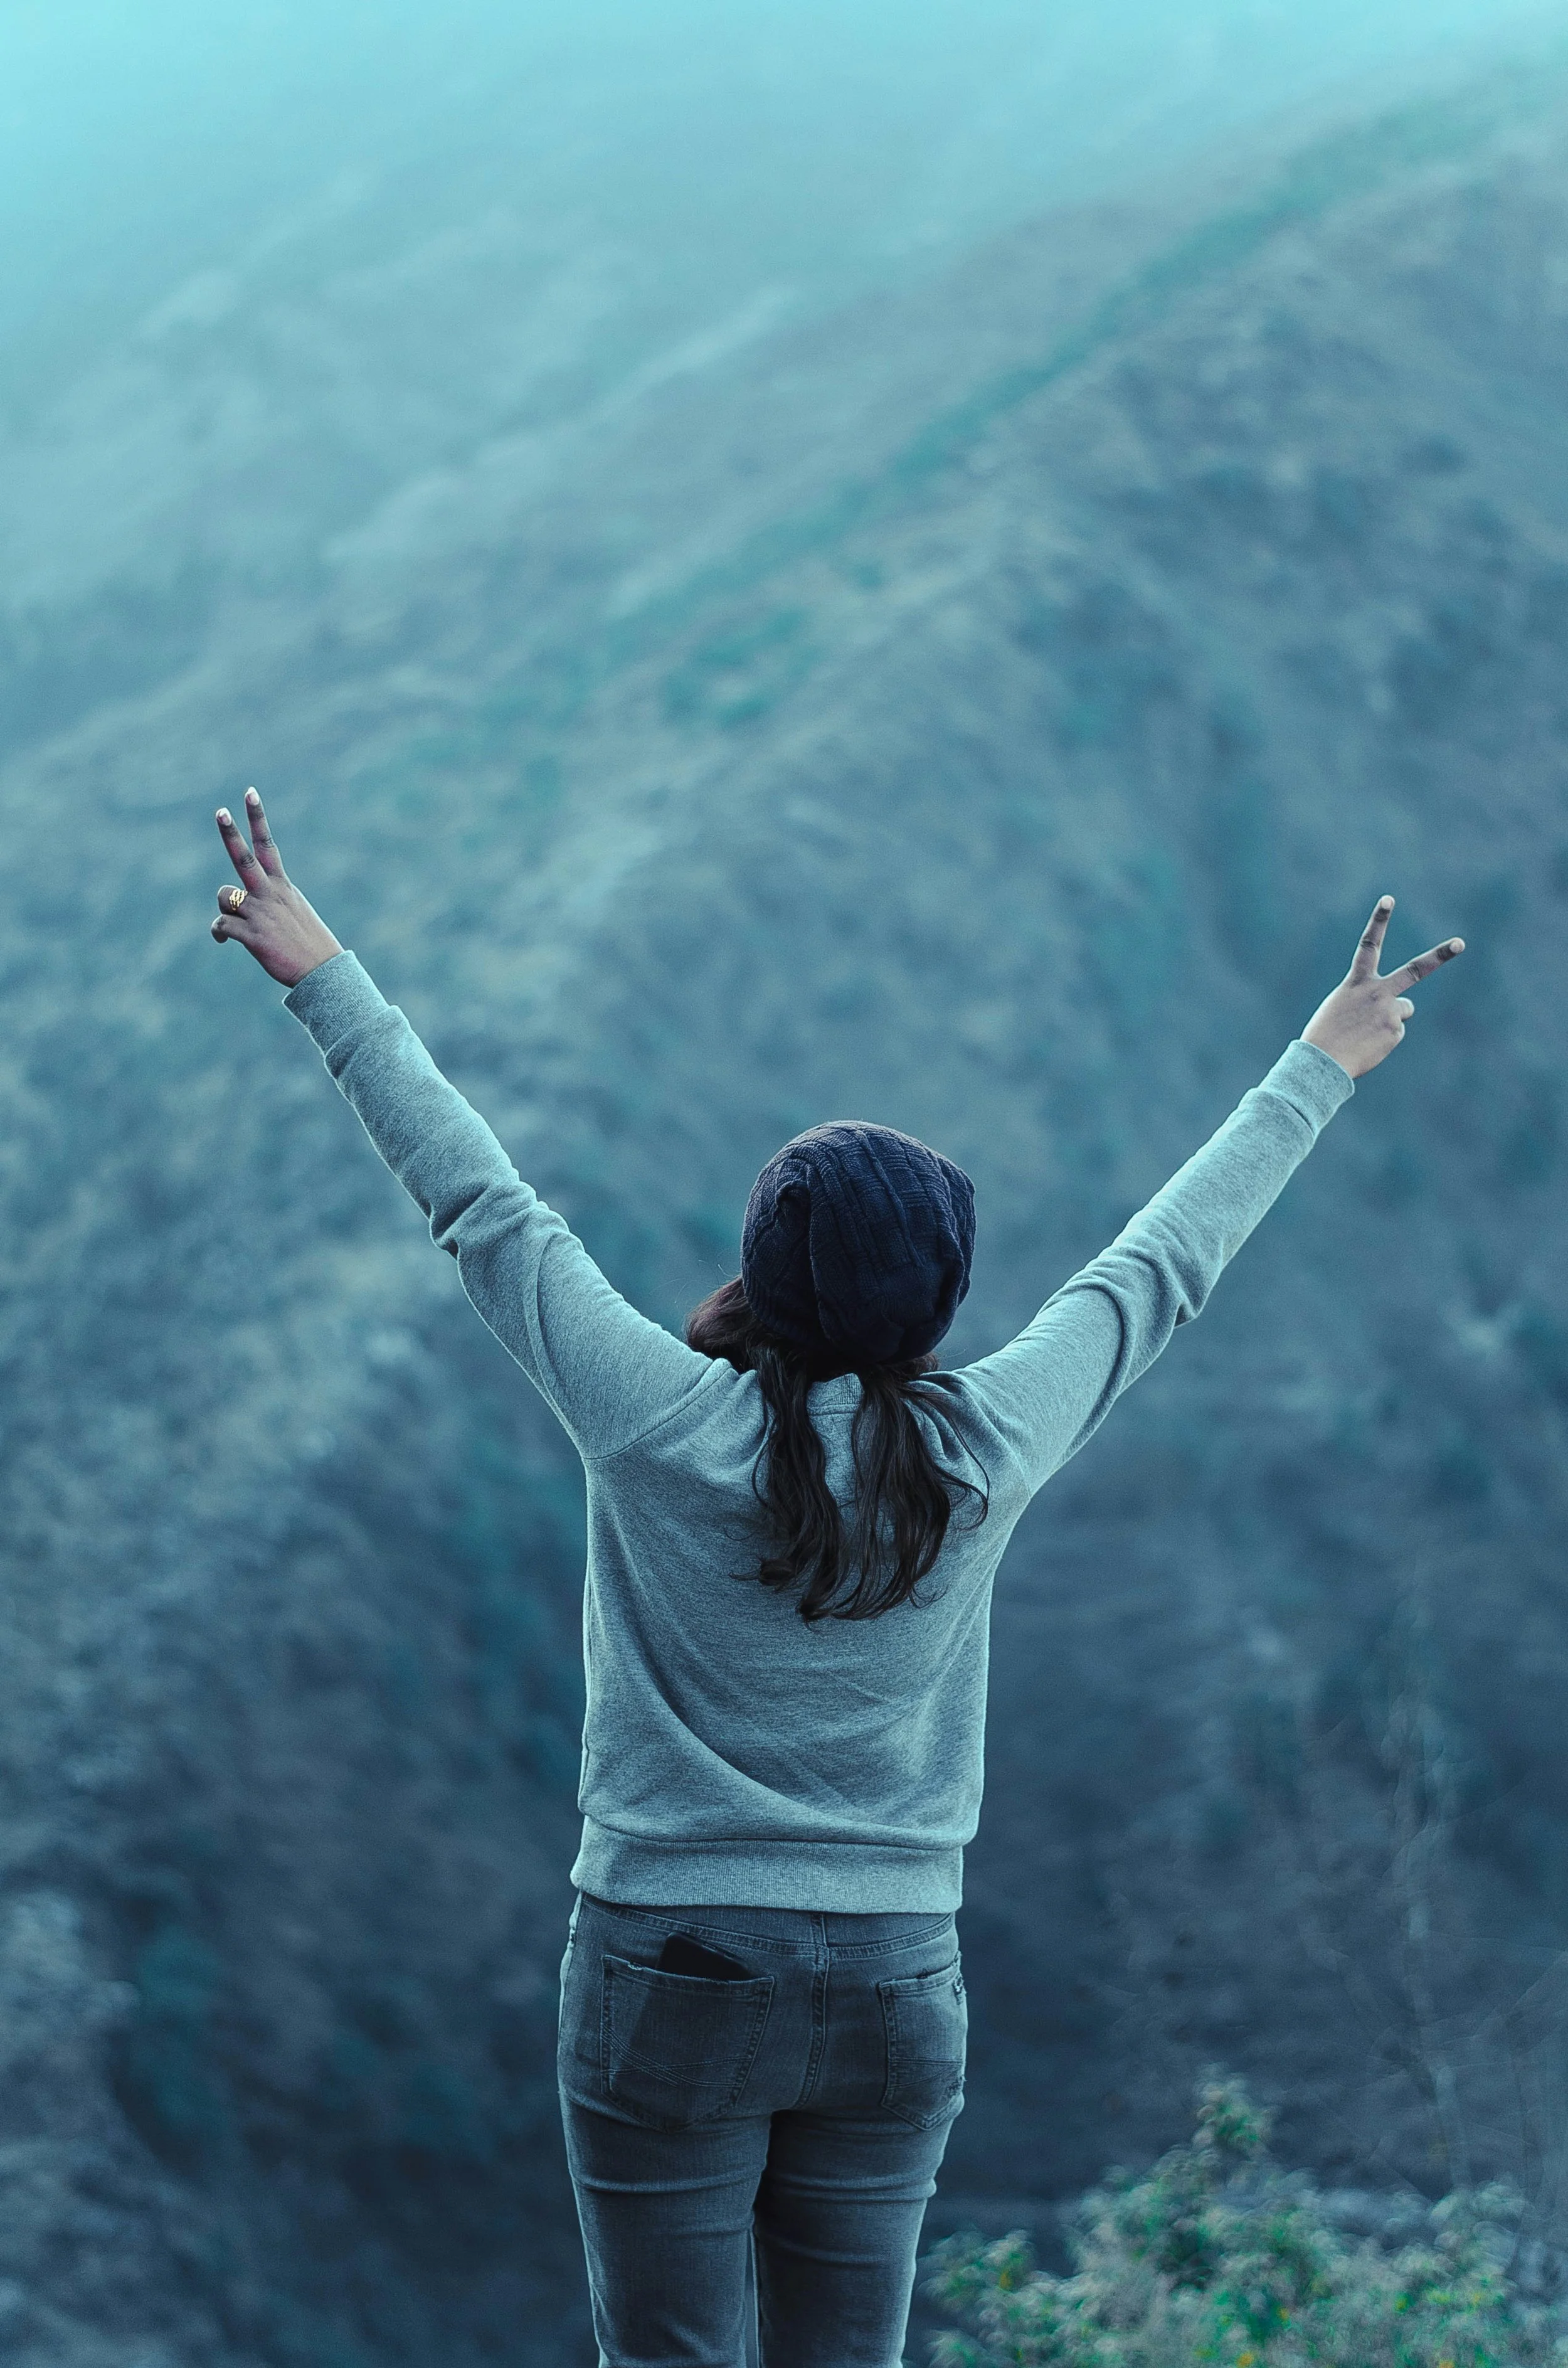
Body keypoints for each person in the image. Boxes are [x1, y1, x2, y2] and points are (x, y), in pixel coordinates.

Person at [209, 788, 1463, 2368]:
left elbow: (482, 1207)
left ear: (761, 1268)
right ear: (935, 1301)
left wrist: (320, 969)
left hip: (665, 1963)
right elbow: (1157, 1269)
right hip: (891, 1980)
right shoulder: (985, 1445)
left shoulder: (652, 1416)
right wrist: (1318, 1064)